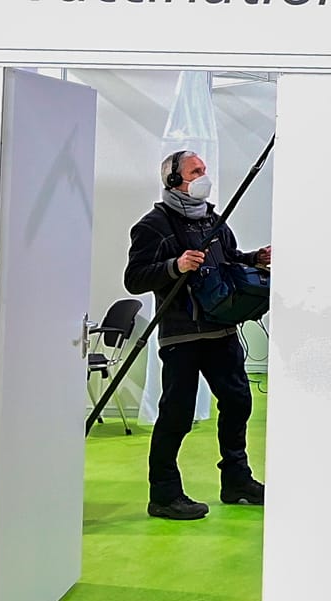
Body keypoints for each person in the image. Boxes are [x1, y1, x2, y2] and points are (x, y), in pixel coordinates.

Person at [124, 150, 270, 519]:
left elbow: (229, 258)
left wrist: (254, 259)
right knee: (177, 414)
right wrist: (176, 265)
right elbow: (134, 278)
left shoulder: (214, 221)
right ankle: (164, 493)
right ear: (174, 180)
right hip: (182, 336)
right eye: (196, 171)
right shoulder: (153, 225)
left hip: (221, 329)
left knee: (238, 402)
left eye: (204, 169)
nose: (204, 176)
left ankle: (237, 480)